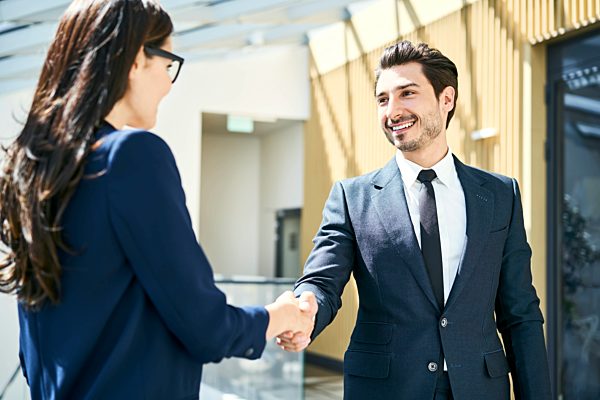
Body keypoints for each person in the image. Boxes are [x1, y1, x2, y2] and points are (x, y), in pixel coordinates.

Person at [0, 1, 316, 399]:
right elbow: (205, 326)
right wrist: (281, 315)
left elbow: (33, 357)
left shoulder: (34, 173)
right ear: (135, 59)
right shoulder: (131, 155)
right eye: (168, 64)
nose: (169, 83)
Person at [277, 41, 552, 399]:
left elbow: (520, 313)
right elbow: (322, 281)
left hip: (479, 387)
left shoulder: (500, 195)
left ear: (446, 99)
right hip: (387, 388)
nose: (392, 110)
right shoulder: (352, 196)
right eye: (382, 99)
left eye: (407, 93)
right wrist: (306, 309)